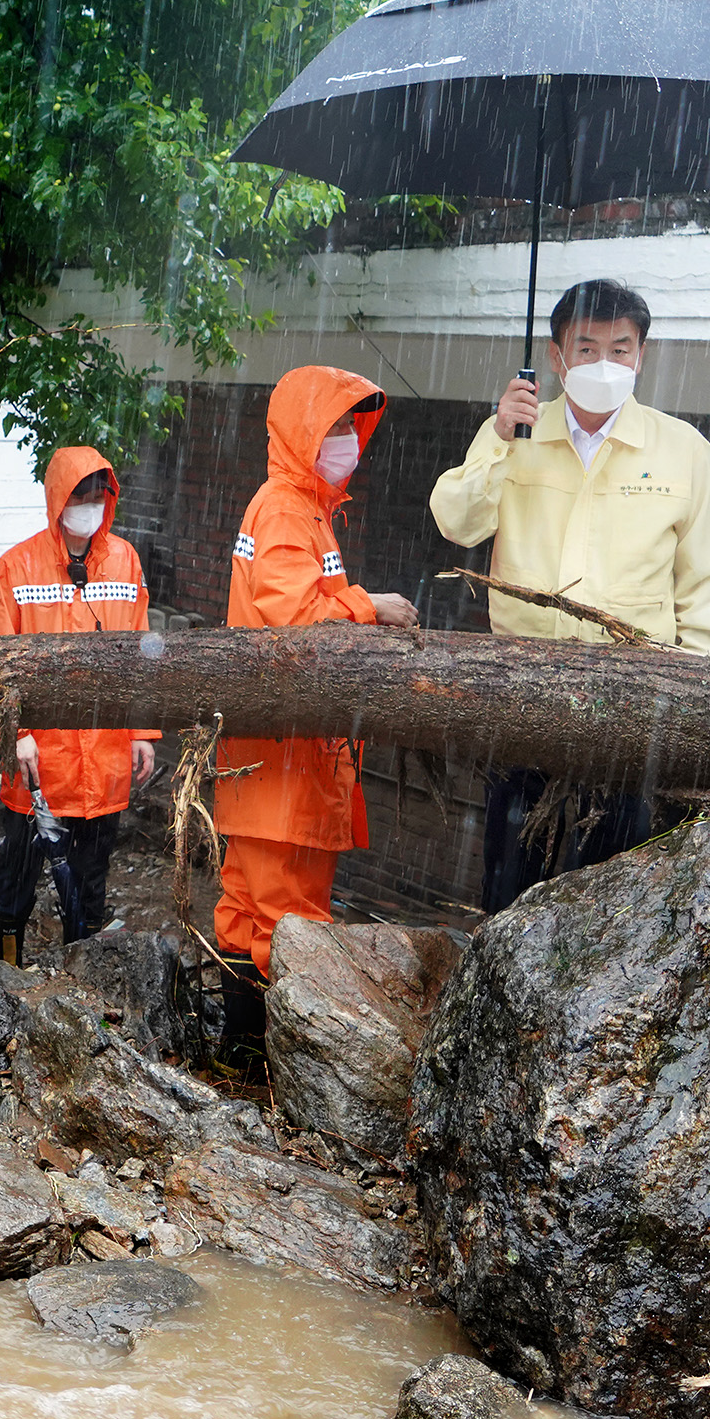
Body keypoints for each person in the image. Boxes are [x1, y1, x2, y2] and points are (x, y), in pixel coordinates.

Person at [427, 278, 710, 910]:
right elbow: (457, 522)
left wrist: (695, 696)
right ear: (557, 357)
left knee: (617, 888)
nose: (604, 364)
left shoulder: (684, 451)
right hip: (525, 692)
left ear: (641, 356)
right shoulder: (517, 436)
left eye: (621, 349)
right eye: (587, 348)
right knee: (513, 880)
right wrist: (498, 438)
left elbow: (704, 585)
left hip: (635, 700)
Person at [214, 368, 422, 969]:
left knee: (250, 912)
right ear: (302, 431)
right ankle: (273, 1056)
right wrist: (370, 604)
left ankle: (244, 1053)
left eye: (347, 425)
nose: (346, 439)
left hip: (277, 762)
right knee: (290, 924)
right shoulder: (285, 509)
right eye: (330, 426)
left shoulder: (299, 508)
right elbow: (296, 620)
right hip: (286, 763)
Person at [0, 450, 153, 966]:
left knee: (90, 886)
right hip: (40, 763)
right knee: (15, 880)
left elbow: (142, 650)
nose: (91, 504)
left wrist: (141, 731)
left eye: (99, 492)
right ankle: (6, 976)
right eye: (81, 493)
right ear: (59, 498)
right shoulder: (15, 567)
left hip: (103, 764)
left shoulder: (126, 561)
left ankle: (78, 985)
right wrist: (17, 733)